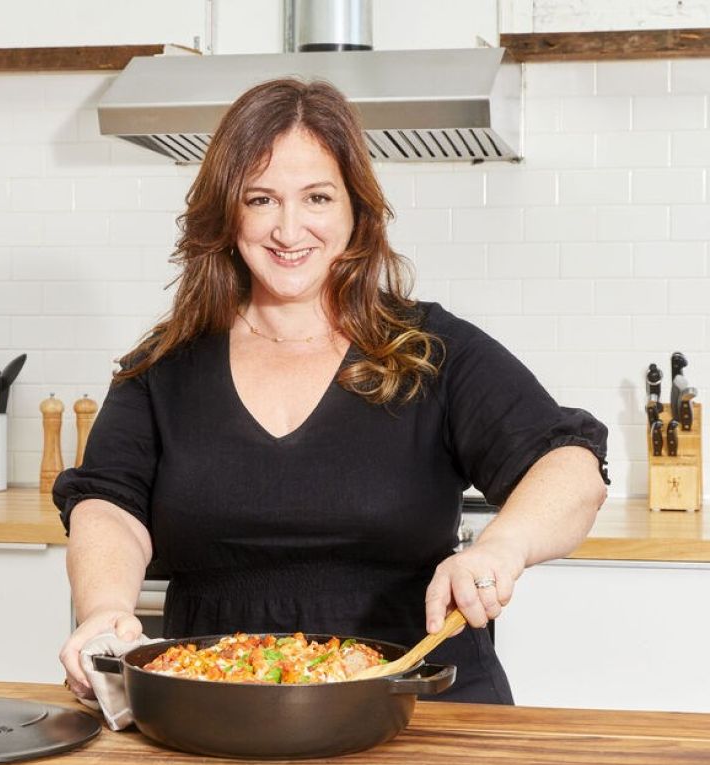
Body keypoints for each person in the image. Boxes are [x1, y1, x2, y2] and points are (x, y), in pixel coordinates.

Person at [54, 77, 608, 705]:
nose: (289, 229)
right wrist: (105, 608)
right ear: (227, 214)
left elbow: (571, 467)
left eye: (317, 197)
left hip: (422, 710)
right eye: (261, 199)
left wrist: (501, 546)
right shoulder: (163, 367)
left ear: (355, 211)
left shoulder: (431, 349)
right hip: (220, 708)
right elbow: (108, 506)